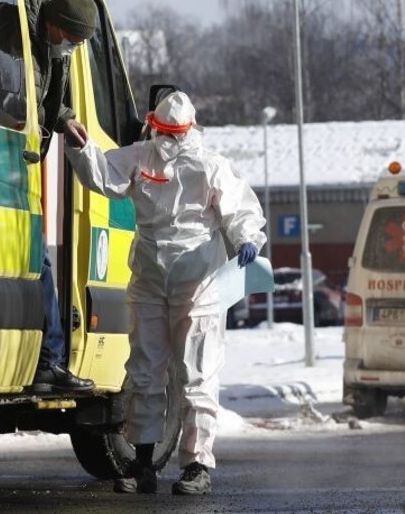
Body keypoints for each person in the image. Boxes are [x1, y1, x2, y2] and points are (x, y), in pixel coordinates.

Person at [64, 90, 266, 495]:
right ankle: (143, 464)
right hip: (151, 279)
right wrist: (82, 146)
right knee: (144, 371)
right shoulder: (141, 157)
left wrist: (248, 238)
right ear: (154, 127)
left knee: (197, 373)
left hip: (199, 284)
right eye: (164, 133)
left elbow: (241, 209)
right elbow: (103, 175)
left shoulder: (209, 166)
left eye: (174, 134)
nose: (168, 143)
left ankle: (196, 465)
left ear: (187, 130)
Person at [21, 0, 98, 394]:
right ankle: (48, 360)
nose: (70, 48)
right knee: (38, 260)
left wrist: (65, 117)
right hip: (6, 160)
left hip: (23, 160)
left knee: (38, 260)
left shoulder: (48, 44)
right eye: (70, 40)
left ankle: (46, 358)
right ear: (54, 25)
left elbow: (44, 94)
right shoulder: (17, 28)